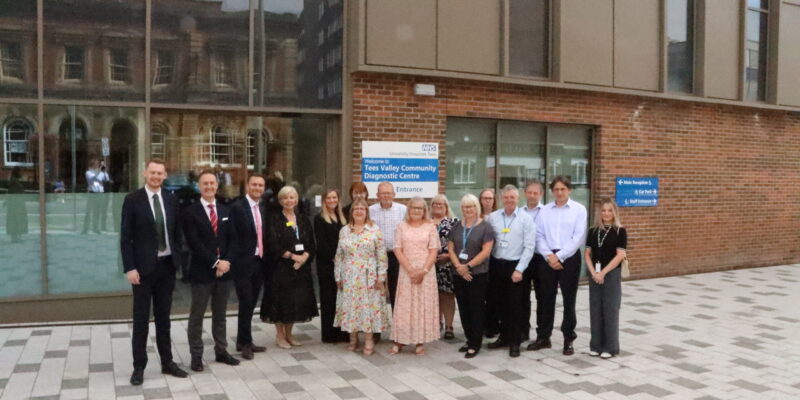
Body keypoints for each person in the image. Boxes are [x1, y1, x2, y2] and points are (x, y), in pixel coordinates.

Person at [121, 159, 188, 385]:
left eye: (160, 173)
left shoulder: (171, 199)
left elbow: (177, 231)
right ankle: (139, 366)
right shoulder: (133, 200)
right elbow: (125, 238)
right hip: (142, 269)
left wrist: (177, 257)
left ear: (165, 175)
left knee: (164, 319)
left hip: (166, 266)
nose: (156, 176)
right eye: (153, 173)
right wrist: (129, 267)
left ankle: (167, 362)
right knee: (141, 320)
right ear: (145, 173)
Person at [183, 171, 240, 372]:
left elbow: (234, 240)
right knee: (197, 315)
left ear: (217, 186)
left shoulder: (226, 210)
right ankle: (196, 356)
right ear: (199, 186)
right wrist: (215, 263)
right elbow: (194, 243)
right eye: (205, 183)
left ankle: (221, 351)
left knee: (221, 314)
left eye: (212, 183)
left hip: (224, 272)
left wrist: (226, 262)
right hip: (202, 272)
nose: (209, 186)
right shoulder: (190, 212)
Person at [531, 176, 587, 356]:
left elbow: (578, 237)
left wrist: (559, 256)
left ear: (569, 190)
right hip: (547, 258)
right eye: (556, 189)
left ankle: (568, 339)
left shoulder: (579, 210)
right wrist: (549, 256)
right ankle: (543, 337)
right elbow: (538, 235)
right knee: (546, 299)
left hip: (569, 258)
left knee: (569, 300)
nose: (560, 192)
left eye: (563, 189)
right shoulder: (545, 211)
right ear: (552, 191)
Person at [261, 185, 318, 348]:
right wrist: (293, 256)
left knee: (295, 301)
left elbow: (311, 244)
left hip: (300, 268)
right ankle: (280, 336)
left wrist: (304, 257)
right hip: (281, 267)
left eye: (292, 197)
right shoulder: (274, 219)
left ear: (297, 199)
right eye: (285, 198)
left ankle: (289, 334)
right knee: (280, 301)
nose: (289, 200)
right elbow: (272, 244)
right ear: (280, 201)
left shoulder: (303, 218)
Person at [333, 199, 390, 355]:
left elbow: (382, 256)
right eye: (356, 209)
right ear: (351, 212)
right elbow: (339, 255)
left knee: (368, 308)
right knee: (350, 307)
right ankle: (353, 339)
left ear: (367, 212)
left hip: (369, 275)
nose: (359, 211)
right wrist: (338, 276)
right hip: (349, 274)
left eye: (362, 209)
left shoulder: (374, 230)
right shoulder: (344, 230)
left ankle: (369, 340)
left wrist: (381, 277)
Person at [486, 185, 535, 358]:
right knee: (500, 305)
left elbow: (529, 247)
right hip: (497, 265)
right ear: (501, 199)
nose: (509, 200)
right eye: (506, 197)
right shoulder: (493, 217)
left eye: (512, 197)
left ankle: (515, 342)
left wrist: (519, 269)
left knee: (515, 307)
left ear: (518, 198)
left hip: (516, 266)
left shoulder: (526, 219)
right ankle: (504, 337)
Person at [389, 197, 440, 355]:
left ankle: (419, 341)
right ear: (408, 210)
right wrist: (410, 270)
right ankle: (400, 340)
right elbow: (397, 249)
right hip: (406, 272)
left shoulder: (430, 227)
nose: (416, 211)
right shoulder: (401, 227)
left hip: (426, 273)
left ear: (424, 211)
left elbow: (433, 250)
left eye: (420, 208)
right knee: (405, 307)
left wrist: (423, 270)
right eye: (413, 208)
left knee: (422, 306)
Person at [447, 194, 495, 358]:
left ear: (477, 207)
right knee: (464, 308)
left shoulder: (486, 227)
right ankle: (469, 339)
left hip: (477, 274)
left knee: (476, 308)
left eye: (472, 206)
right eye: (465, 207)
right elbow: (451, 249)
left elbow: (486, 251)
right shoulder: (456, 227)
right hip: (458, 273)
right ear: (462, 209)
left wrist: (467, 266)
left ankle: (475, 343)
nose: (468, 210)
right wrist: (459, 267)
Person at [230, 174, 269, 359]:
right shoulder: (237, 208)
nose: (257, 188)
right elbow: (233, 237)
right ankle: (244, 344)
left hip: (259, 262)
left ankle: (245, 339)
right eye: (254, 184)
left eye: (261, 185)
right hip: (243, 264)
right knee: (245, 301)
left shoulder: (263, 207)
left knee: (251, 303)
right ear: (247, 186)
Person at [585, 198, 627, 359]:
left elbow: (620, 255)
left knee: (610, 310)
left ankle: (610, 347)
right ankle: (596, 345)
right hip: (594, 275)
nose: (606, 213)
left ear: (614, 212)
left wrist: (602, 273)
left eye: (610, 210)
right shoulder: (593, 231)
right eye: (603, 210)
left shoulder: (620, 231)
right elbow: (587, 254)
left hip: (611, 275)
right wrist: (594, 273)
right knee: (595, 309)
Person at [314, 188, 349, 343]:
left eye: (334, 198)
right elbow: (321, 244)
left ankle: (343, 332)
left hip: (343, 265)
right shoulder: (320, 218)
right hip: (328, 265)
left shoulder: (342, 217)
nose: (332, 201)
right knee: (329, 300)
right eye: (329, 198)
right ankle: (329, 334)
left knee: (342, 299)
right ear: (324, 200)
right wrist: (335, 258)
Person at [368, 182, 407, 309]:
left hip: (396, 255)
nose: (386, 196)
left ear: (394, 194)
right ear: (377, 195)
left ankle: (397, 323)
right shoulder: (370, 211)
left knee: (396, 290)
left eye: (388, 193)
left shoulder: (403, 210)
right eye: (383, 193)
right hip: (376, 256)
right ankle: (377, 323)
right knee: (376, 290)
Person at [430, 194, 458, 339]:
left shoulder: (454, 222)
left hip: (447, 265)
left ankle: (449, 326)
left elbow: (459, 243)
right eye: (435, 204)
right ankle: (436, 323)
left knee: (447, 296)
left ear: (446, 207)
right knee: (432, 296)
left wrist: (448, 256)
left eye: (441, 204)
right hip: (429, 266)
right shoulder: (425, 222)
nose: (438, 206)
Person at [522, 181, 545, 343]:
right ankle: (523, 331)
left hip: (540, 259)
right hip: (523, 258)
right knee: (522, 297)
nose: (532, 196)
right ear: (525, 193)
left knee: (542, 297)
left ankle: (542, 334)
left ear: (541, 194)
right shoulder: (519, 212)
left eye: (535, 193)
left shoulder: (547, 212)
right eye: (529, 192)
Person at [478, 188, 499, 338]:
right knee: (480, 294)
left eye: (490, 198)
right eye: (485, 198)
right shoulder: (475, 217)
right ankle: (481, 324)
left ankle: (493, 325)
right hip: (478, 260)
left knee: (493, 294)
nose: (487, 201)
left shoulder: (498, 217)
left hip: (495, 260)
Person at [82, 159, 110, 234]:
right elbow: (94, 179)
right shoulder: (88, 172)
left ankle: (95, 228)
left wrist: (104, 171)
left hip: (100, 193)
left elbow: (107, 179)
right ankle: (85, 229)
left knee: (97, 212)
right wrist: (99, 171)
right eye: (97, 164)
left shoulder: (100, 172)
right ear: (93, 165)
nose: (98, 165)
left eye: (98, 164)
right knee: (89, 212)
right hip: (92, 193)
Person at [5, 168, 28, 243]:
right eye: (20, 171)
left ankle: (15, 237)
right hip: (16, 203)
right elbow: (13, 191)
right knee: (16, 220)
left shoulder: (14, 180)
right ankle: (15, 237)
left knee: (14, 220)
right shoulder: (14, 181)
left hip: (16, 203)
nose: (21, 173)